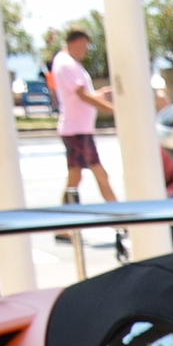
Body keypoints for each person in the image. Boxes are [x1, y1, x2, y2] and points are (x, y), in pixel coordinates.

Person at [50, 28, 116, 210]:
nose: (85, 50)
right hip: (76, 130)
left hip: (78, 129)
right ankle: (120, 217)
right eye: (85, 46)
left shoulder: (68, 63)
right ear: (76, 42)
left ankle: (64, 223)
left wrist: (99, 95)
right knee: (98, 173)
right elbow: (82, 95)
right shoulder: (66, 64)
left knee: (76, 177)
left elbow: (82, 95)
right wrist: (113, 110)